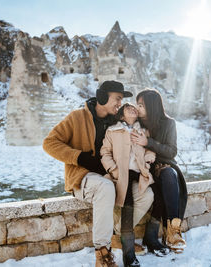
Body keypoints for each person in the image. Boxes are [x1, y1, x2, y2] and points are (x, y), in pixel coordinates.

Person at [43, 80, 145, 267]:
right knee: (105, 188)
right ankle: (102, 253)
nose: (119, 104)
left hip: (109, 176)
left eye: (121, 100)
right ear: (102, 97)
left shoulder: (117, 122)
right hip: (82, 177)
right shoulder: (77, 117)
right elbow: (49, 143)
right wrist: (79, 157)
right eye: (117, 99)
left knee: (145, 193)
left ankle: (117, 236)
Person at [131, 88, 188, 255]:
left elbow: (171, 151)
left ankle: (173, 232)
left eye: (141, 105)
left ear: (151, 106)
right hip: (143, 167)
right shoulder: (136, 123)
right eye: (137, 104)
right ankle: (151, 236)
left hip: (165, 165)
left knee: (169, 176)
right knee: (155, 190)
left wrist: (148, 142)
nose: (138, 108)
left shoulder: (168, 123)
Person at [101, 103, 155, 267]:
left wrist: (148, 159)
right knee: (127, 205)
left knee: (148, 196)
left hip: (139, 175)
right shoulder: (112, 131)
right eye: (127, 108)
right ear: (122, 116)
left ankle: (118, 233)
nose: (133, 109)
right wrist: (114, 170)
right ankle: (129, 255)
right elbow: (104, 153)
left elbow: (149, 150)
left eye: (134, 108)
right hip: (120, 176)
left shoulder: (143, 131)